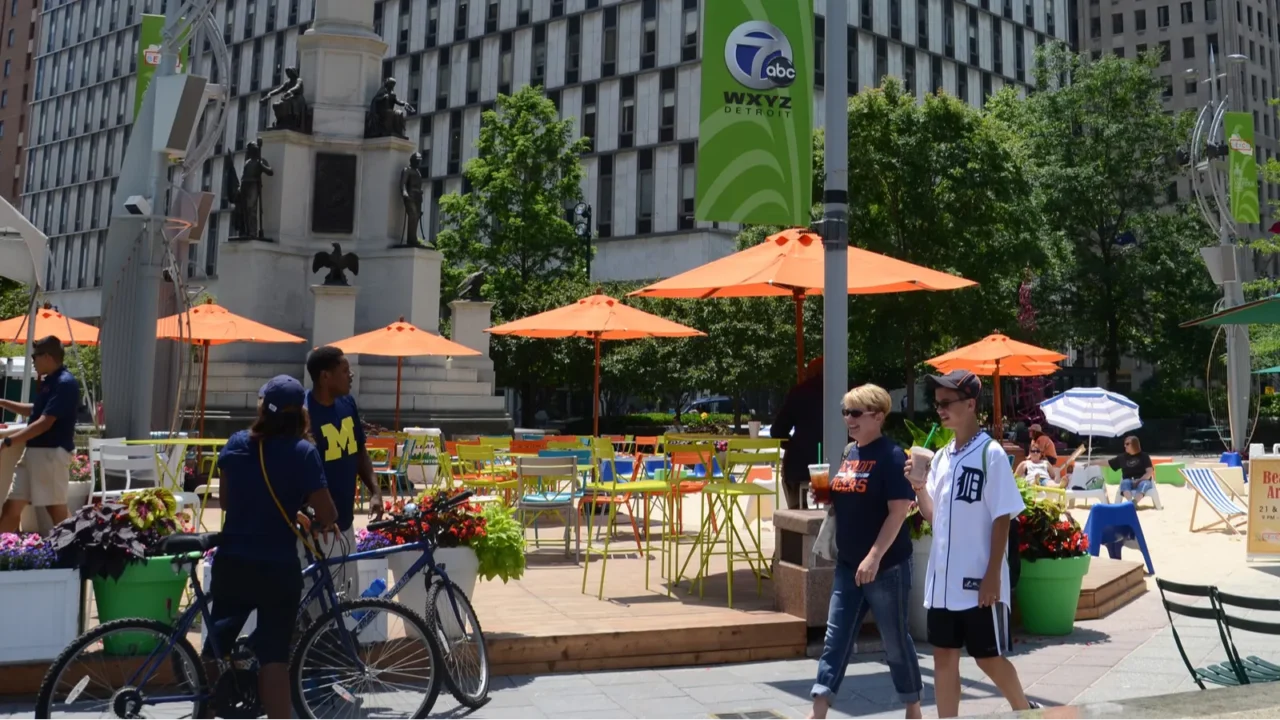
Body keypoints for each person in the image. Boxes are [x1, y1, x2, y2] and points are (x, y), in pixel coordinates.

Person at [904, 370, 1038, 718]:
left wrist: (993, 573)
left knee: (988, 657)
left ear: (970, 404)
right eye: (937, 404)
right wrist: (919, 487)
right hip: (942, 582)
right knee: (943, 657)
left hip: (978, 578)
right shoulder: (942, 457)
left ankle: (1025, 710)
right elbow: (934, 517)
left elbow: (1002, 515)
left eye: (947, 403)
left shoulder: (990, 454)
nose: (940, 410)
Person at [209, 375, 337, 720]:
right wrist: (309, 515)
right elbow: (328, 512)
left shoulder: (237, 443)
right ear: (301, 414)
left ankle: (202, 710)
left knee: (215, 649)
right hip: (278, 568)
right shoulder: (303, 452)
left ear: (264, 408)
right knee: (275, 659)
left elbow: (225, 502)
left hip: (233, 562)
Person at [809, 384, 922, 720]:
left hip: (886, 566)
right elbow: (850, 495)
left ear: (878, 415)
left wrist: (873, 557)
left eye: (856, 413)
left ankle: (913, 707)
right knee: (835, 638)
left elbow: (898, 511)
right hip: (847, 564)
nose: (849, 419)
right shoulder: (850, 453)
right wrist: (827, 495)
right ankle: (818, 710)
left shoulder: (892, 456)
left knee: (895, 642)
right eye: (846, 412)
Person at [304, 346, 381, 596]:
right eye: (345, 370)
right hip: (319, 529)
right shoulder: (304, 414)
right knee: (321, 611)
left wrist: (376, 491)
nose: (351, 375)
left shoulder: (348, 403)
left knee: (348, 601)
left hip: (345, 524)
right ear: (325, 376)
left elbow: (359, 451)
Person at [0, 336, 80, 532]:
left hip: (51, 454)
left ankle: (74, 555)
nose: (33, 361)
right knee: (11, 507)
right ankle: (4, 555)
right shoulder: (50, 381)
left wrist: (10, 441)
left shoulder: (65, 383)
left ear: (47, 356)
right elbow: (35, 411)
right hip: (33, 453)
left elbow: (45, 423)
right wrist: (2, 402)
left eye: (35, 357)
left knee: (57, 512)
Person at [771, 357, 825, 510]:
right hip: (838, 462)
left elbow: (777, 431)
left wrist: (790, 444)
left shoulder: (799, 392)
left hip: (801, 462)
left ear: (810, 372)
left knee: (790, 480)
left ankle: (797, 521)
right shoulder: (845, 391)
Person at [1105, 436, 1154, 503]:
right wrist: (1091, 462)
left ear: (1135, 444)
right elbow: (1108, 463)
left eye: (1127, 444)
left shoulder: (1144, 456)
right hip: (1128, 480)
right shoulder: (1122, 457)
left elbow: (1149, 472)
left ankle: (1135, 502)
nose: (1125, 446)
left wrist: (1139, 480)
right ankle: (1130, 503)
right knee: (1124, 483)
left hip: (1143, 480)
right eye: (1124, 444)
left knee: (1144, 484)